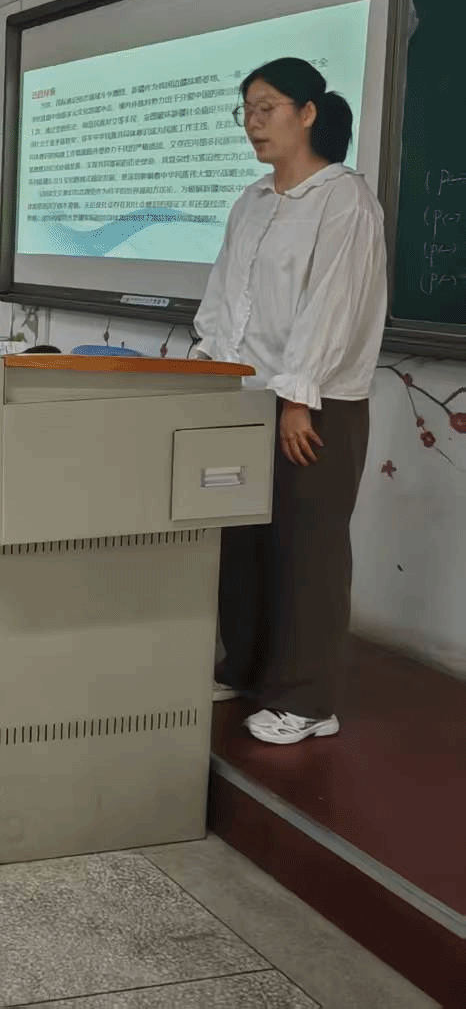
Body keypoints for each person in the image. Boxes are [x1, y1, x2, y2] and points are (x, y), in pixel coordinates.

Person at [193, 56, 387, 746]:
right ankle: (245, 667)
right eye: (246, 110)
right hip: (247, 393)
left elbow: (332, 305)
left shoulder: (343, 199)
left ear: (308, 113)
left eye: (267, 108)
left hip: (317, 402)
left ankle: (307, 700)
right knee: (242, 542)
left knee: (308, 548)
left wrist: (298, 397)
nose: (253, 122)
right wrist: (210, 363)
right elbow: (225, 294)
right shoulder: (251, 201)